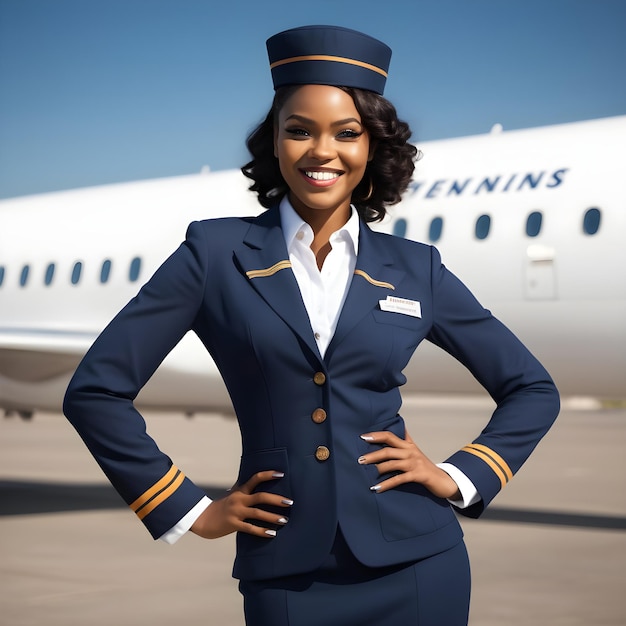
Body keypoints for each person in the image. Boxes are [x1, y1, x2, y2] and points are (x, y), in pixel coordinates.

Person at [64, 25, 560, 626]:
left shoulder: (415, 269)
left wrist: (458, 475)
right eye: (298, 130)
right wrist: (187, 508)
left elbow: (531, 387)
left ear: (371, 147)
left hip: (420, 563)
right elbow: (96, 390)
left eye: (346, 133)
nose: (321, 151)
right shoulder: (213, 254)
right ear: (273, 144)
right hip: (286, 571)